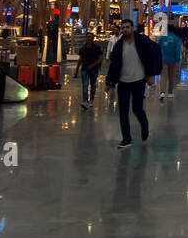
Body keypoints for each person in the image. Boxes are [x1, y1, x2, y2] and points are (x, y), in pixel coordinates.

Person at [104, 19, 161, 148]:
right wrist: (109, 82)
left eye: (127, 27)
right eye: (123, 27)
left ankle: (144, 124)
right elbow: (114, 65)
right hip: (123, 82)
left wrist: (152, 74)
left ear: (132, 28)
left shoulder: (141, 41)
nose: (125, 29)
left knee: (137, 108)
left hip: (138, 81)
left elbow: (152, 55)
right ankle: (126, 138)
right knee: (123, 111)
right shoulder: (119, 45)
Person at [77, 33, 105, 110]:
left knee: (93, 85)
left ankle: (91, 99)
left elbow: (101, 58)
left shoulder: (97, 48)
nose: (88, 38)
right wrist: (76, 70)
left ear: (93, 38)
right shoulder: (83, 48)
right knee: (85, 85)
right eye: (87, 37)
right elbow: (80, 59)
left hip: (94, 69)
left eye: (90, 37)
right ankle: (85, 101)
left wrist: (93, 65)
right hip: (85, 69)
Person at [158, 24, 182, 100]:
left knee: (163, 76)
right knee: (171, 76)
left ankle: (162, 92)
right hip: (172, 60)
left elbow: (158, 48)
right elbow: (178, 50)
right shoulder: (176, 38)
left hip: (163, 59)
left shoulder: (162, 38)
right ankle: (170, 93)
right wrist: (177, 61)